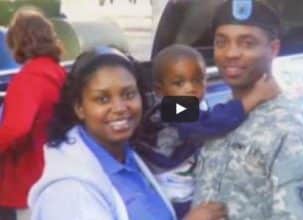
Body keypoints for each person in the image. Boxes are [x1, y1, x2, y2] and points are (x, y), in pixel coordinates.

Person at [28, 46, 227, 220]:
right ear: (79, 107)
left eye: (128, 94)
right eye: (102, 99)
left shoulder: (131, 156)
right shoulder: (69, 193)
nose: (120, 107)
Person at [192, 1, 303, 220]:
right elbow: (166, 113)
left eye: (247, 43)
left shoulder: (290, 132)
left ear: (273, 49)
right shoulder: (220, 111)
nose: (231, 53)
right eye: (221, 42)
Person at [133, 44, 279, 218]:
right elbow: (211, 123)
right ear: (159, 90)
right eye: (179, 83)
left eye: (197, 80)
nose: (190, 88)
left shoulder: (190, 105)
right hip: (170, 189)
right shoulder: (170, 109)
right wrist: (255, 97)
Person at [0, 7, 66, 220]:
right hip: (54, 169)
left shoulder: (28, 79)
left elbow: (16, 128)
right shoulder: (57, 72)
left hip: (28, 177)